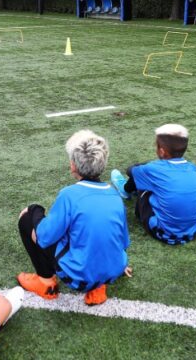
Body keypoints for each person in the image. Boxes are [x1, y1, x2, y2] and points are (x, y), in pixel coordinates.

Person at [17, 129, 130, 306]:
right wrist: (119, 264)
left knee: (28, 217)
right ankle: (99, 287)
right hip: (114, 269)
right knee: (81, 228)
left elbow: (45, 237)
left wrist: (35, 211)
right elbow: (122, 241)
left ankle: (46, 282)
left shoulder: (69, 195)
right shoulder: (115, 195)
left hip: (79, 277)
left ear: (73, 165)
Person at [109, 124, 196, 244]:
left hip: (164, 233)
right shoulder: (193, 169)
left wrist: (143, 166)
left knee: (141, 174)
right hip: (193, 230)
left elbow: (130, 170)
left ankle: (125, 190)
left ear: (162, 151)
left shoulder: (153, 169)